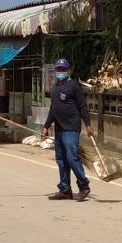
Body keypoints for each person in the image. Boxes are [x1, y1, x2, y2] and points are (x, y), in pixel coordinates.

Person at [41, 57, 92, 201]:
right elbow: (53, 110)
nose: (60, 72)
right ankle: (65, 189)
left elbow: (82, 106)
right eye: (58, 69)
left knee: (72, 157)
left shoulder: (74, 86)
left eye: (63, 69)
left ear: (68, 70)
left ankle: (84, 186)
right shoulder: (55, 88)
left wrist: (88, 125)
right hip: (59, 129)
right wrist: (45, 127)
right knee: (61, 160)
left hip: (71, 128)